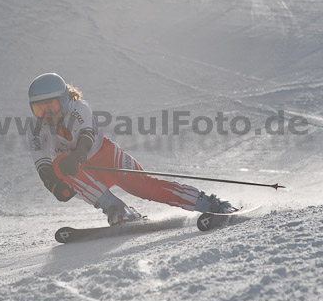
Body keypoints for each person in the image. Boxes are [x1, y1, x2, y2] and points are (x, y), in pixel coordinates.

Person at [27, 73, 237, 225]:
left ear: (63, 101)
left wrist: (79, 154)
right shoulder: (36, 128)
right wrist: (54, 186)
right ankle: (118, 210)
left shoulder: (79, 108)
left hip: (105, 156)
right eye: (39, 108)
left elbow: (86, 136)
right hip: (81, 172)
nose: (46, 114)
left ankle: (211, 204)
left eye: (51, 106)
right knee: (59, 166)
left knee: (145, 187)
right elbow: (42, 164)